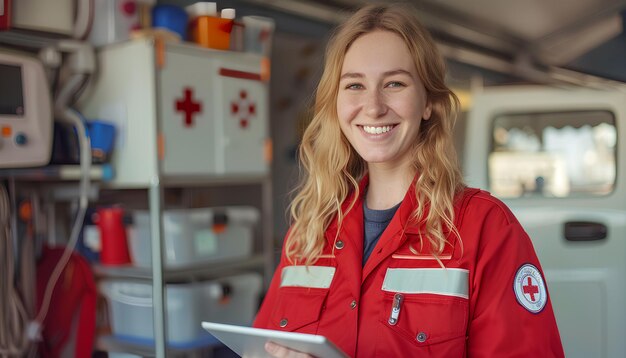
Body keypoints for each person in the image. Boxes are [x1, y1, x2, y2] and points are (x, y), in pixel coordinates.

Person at [253, 3, 565, 357]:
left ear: (428, 102)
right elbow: (263, 346)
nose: (373, 106)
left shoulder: (486, 229)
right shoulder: (308, 231)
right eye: (354, 85)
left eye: (395, 83)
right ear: (335, 104)